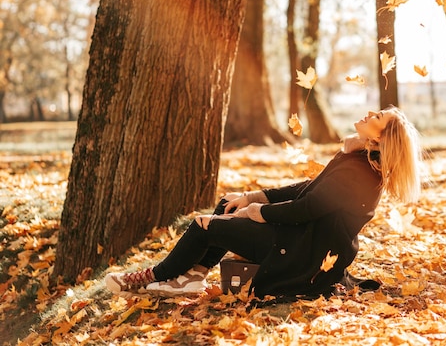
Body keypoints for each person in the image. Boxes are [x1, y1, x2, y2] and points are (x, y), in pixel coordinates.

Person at [105, 106, 421, 300]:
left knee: (203, 225)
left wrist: (259, 212)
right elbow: (309, 189)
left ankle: (151, 277)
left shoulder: (361, 172)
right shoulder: (358, 162)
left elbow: (307, 207)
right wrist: (252, 197)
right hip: (298, 237)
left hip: (298, 252)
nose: (369, 113)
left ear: (382, 138)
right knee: (226, 205)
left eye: (377, 116)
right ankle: (192, 276)